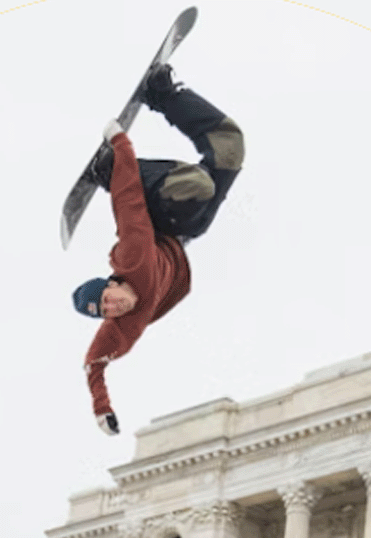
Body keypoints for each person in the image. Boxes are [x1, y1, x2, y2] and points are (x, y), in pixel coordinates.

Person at [71, 64, 246, 435]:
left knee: (196, 184)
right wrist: (103, 410)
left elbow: (129, 199)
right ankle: (162, 93)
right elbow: (93, 364)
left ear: (111, 283)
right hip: (181, 232)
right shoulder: (120, 330)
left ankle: (112, 163)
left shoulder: (133, 258)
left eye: (107, 298)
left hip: (150, 210)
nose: (113, 307)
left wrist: (119, 147)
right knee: (230, 149)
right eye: (105, 312)